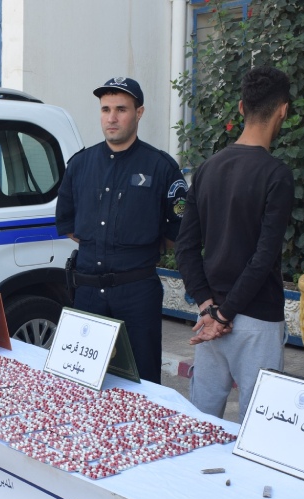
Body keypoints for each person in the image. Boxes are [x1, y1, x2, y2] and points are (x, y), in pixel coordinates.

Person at [175, 66, 293, 421]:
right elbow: (264, 257)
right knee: (258, 429)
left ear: (241, 107)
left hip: (210, 316)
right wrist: (223, 313)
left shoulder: (207, 169)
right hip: (255, 320)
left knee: (202, 424)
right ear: (283, 111)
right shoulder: (277, 174)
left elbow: (185, 247)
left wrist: (208, 306)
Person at [55, 77, 187, 384]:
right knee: (81, 380)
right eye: (105, 109)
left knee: (143, 382)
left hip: (137, 294)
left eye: (121, 109)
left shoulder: (161, 167)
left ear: (139, 113)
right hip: (87, 293)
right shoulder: (80, 165)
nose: (111, 118)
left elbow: (176, 231)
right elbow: (71, 226)